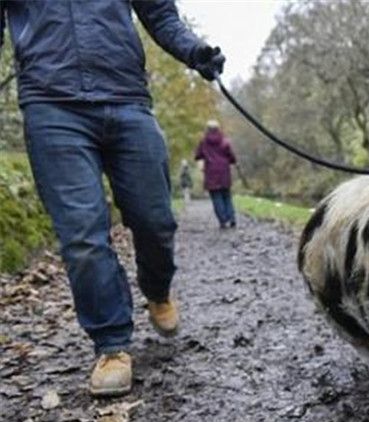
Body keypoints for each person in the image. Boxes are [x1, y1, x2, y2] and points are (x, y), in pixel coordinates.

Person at [0, 1, 225, 396]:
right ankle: (112, 344)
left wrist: (194, 51)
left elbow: (159, 13)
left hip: (127, 98)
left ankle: (157, 290)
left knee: (155, 219)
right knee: (83, 235)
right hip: (51, 104)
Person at [195, 120, 238, 229]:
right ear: (218, 129)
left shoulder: (204, 142)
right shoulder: (224, 141)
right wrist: (230, 161)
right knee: (227, 196)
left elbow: (198, 155)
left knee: (216, 197)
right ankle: (232, 218)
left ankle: (223, 221)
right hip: (224, 172)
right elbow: (232, 157)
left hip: (211, 173)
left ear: (207, 129)